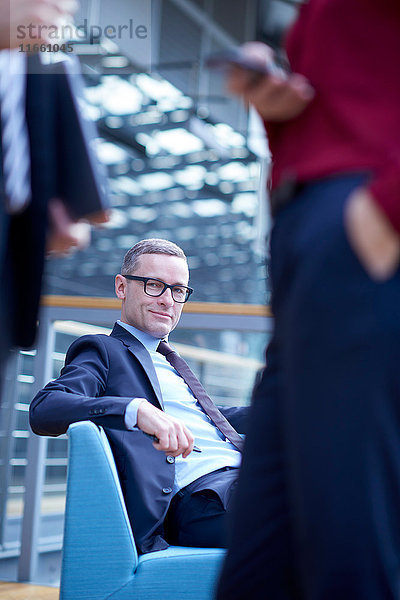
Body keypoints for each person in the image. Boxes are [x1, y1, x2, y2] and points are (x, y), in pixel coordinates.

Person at [216, 1, 400, 599]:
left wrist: (387, 209)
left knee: (348, 550)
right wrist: (282, 112)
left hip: (361, 238)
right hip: (312, 245)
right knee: (261, 565)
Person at [30, 238, 249, 554]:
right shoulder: (104, 350)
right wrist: (135, 410)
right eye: (153, 285)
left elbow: (210, 417)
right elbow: (44, 408)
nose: (167, 300)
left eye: (177, 290)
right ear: (121, 287)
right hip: (203, 497)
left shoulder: (170, 363)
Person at [0, 0, 109, 382]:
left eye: (67, 14)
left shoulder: (37, 67)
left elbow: (32, 160)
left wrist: (54, 212)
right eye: (52, 6)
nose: (59, 21)